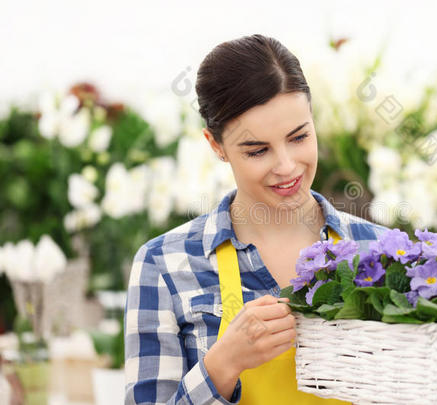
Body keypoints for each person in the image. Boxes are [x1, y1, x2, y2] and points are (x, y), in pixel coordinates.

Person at [124, 34, 390, 404]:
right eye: (258, 150)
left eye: (298, 137)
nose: (286, 166)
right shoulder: (164, 264)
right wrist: (221, 366)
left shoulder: (381, 253)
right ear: (216, 146)